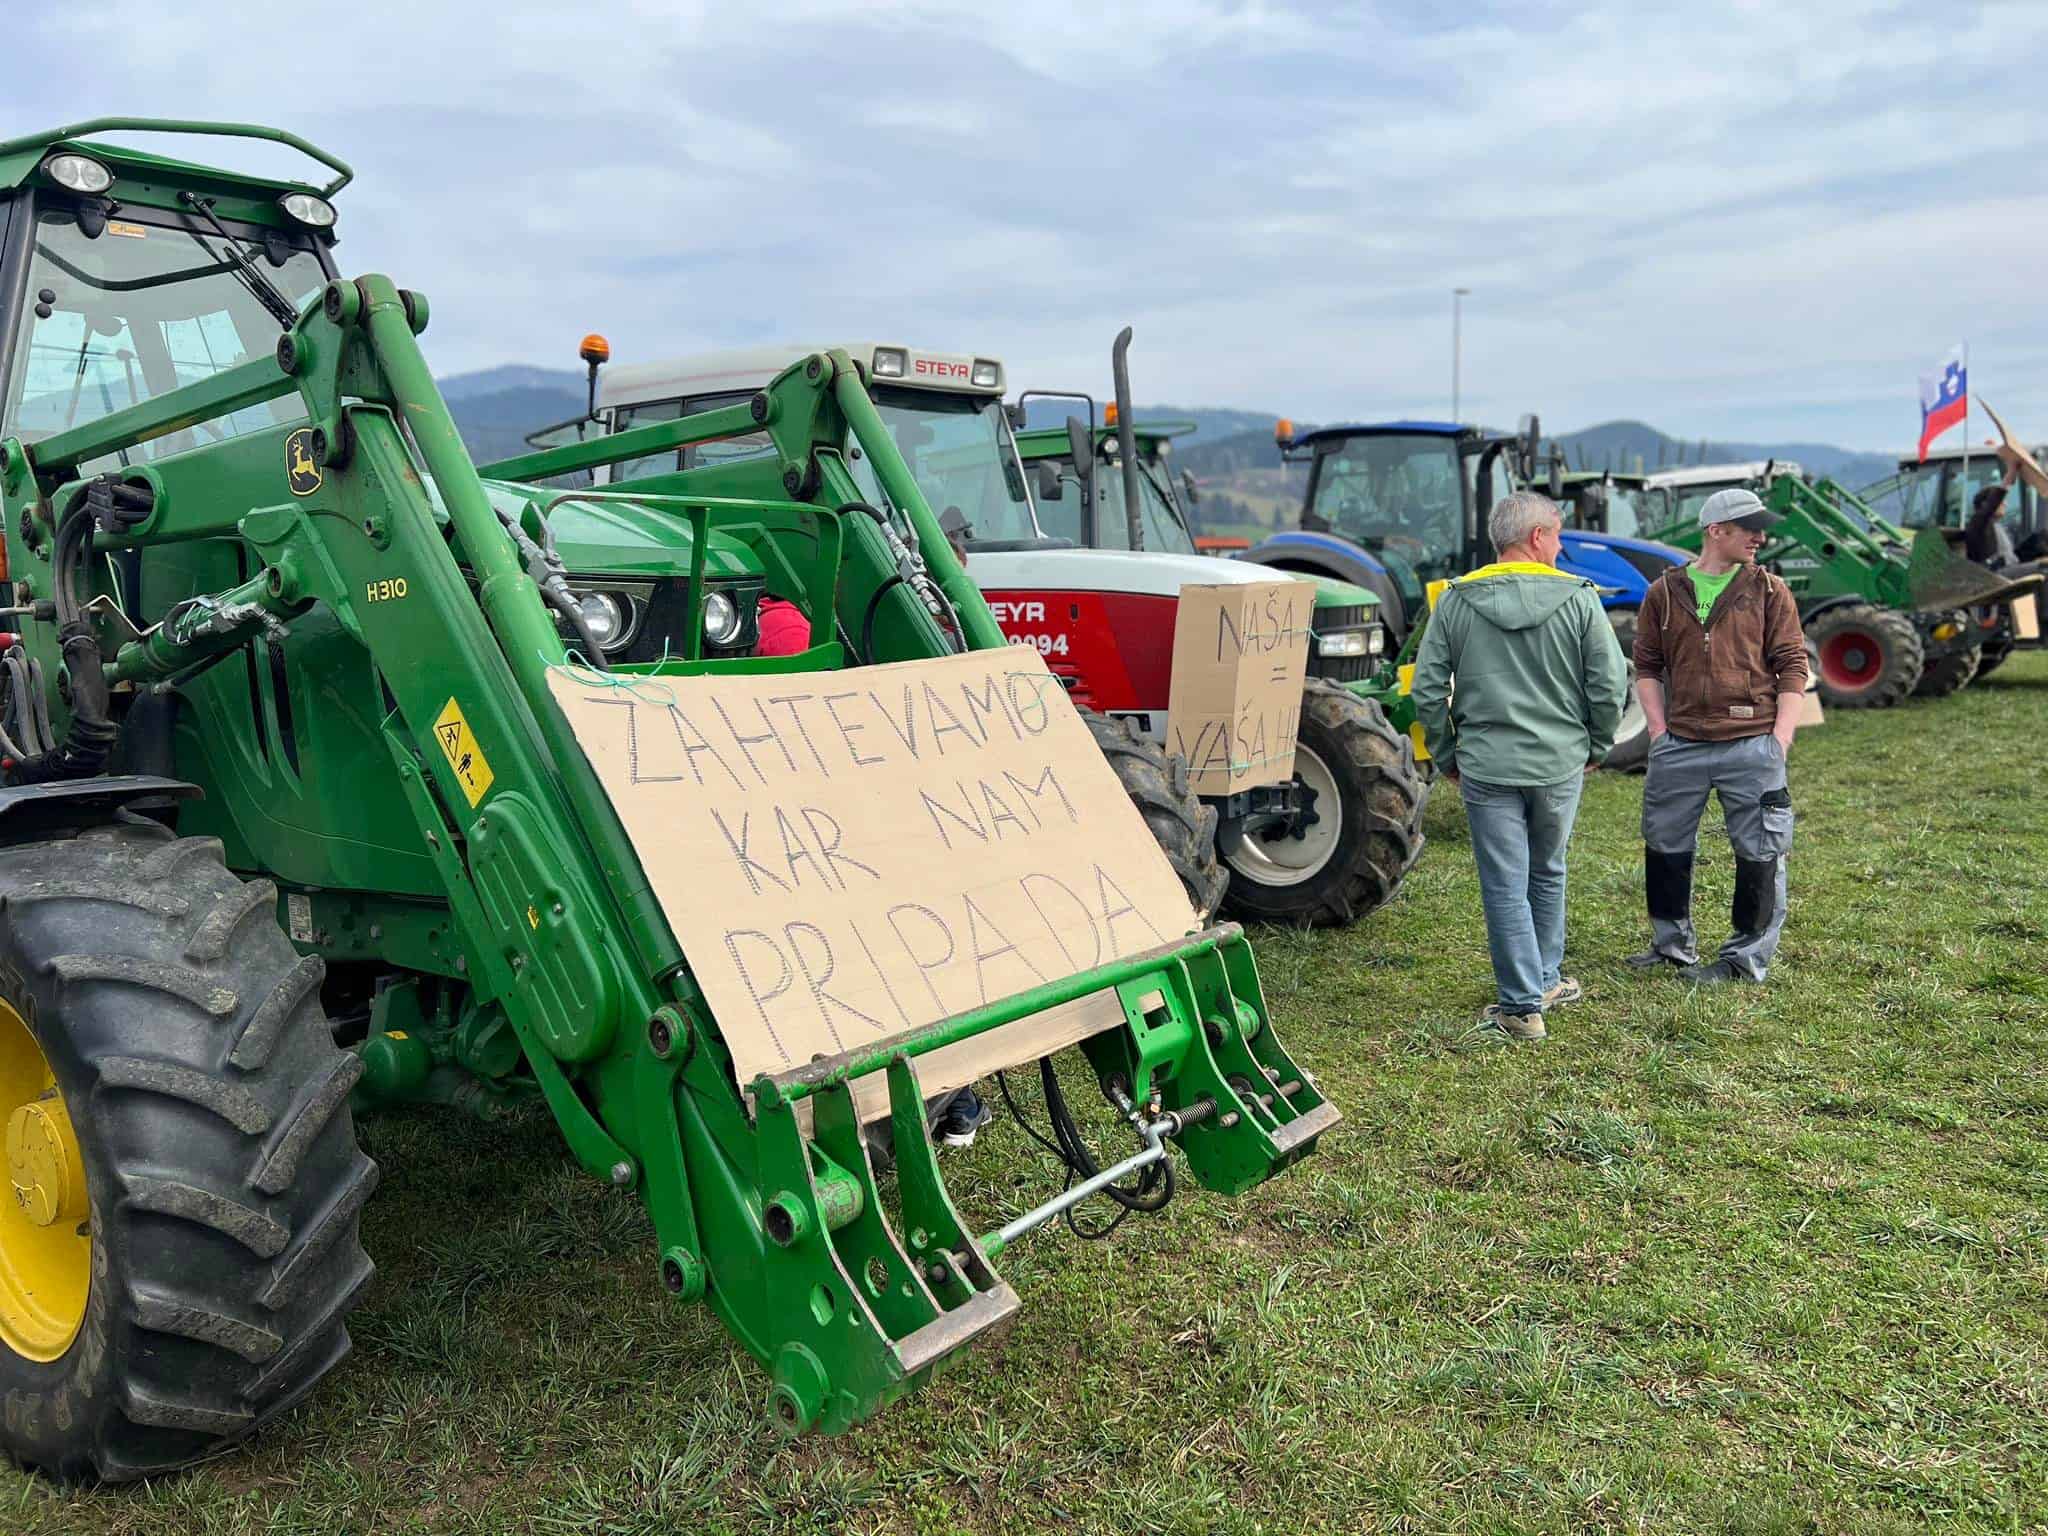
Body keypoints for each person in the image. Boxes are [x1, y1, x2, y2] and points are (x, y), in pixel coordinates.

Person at [1412, 490, 1627, 1041]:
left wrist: (1447, 753)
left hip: (1486, 764)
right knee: (1548, 869)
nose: (1559, 546)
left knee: (1505, 883)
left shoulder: (1457, 599)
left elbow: (1428, 688)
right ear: (1536, 537)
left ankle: (1522, 1005)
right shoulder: (1580, 598)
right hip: (1559, 762)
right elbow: (1608, 684)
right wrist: (1597, 745)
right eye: (1557, 535)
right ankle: (1542, 983)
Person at [1630, 487, 1810, 984]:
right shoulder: (1664, 593)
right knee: (1665, 848)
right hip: (1679, 745)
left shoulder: (1770, 591)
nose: (1760, 538)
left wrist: (1780, 738)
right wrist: (1658, 730)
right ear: (1715, 530)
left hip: (1752, 744)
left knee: (1761, 855)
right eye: (1750, 528)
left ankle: (1743, 960)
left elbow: (1794, 665)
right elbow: (1646, 665)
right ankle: (1671, 946)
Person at [1963, 462, 2020, 568]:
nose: (2005, 504)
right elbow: (1992, 504)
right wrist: (2008, 479)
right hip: (1992, 573)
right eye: (2002, 501)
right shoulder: (1978, 523)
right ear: (1985, 504)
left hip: (2010, 568)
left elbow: (2011, 555)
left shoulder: (1997, 525)